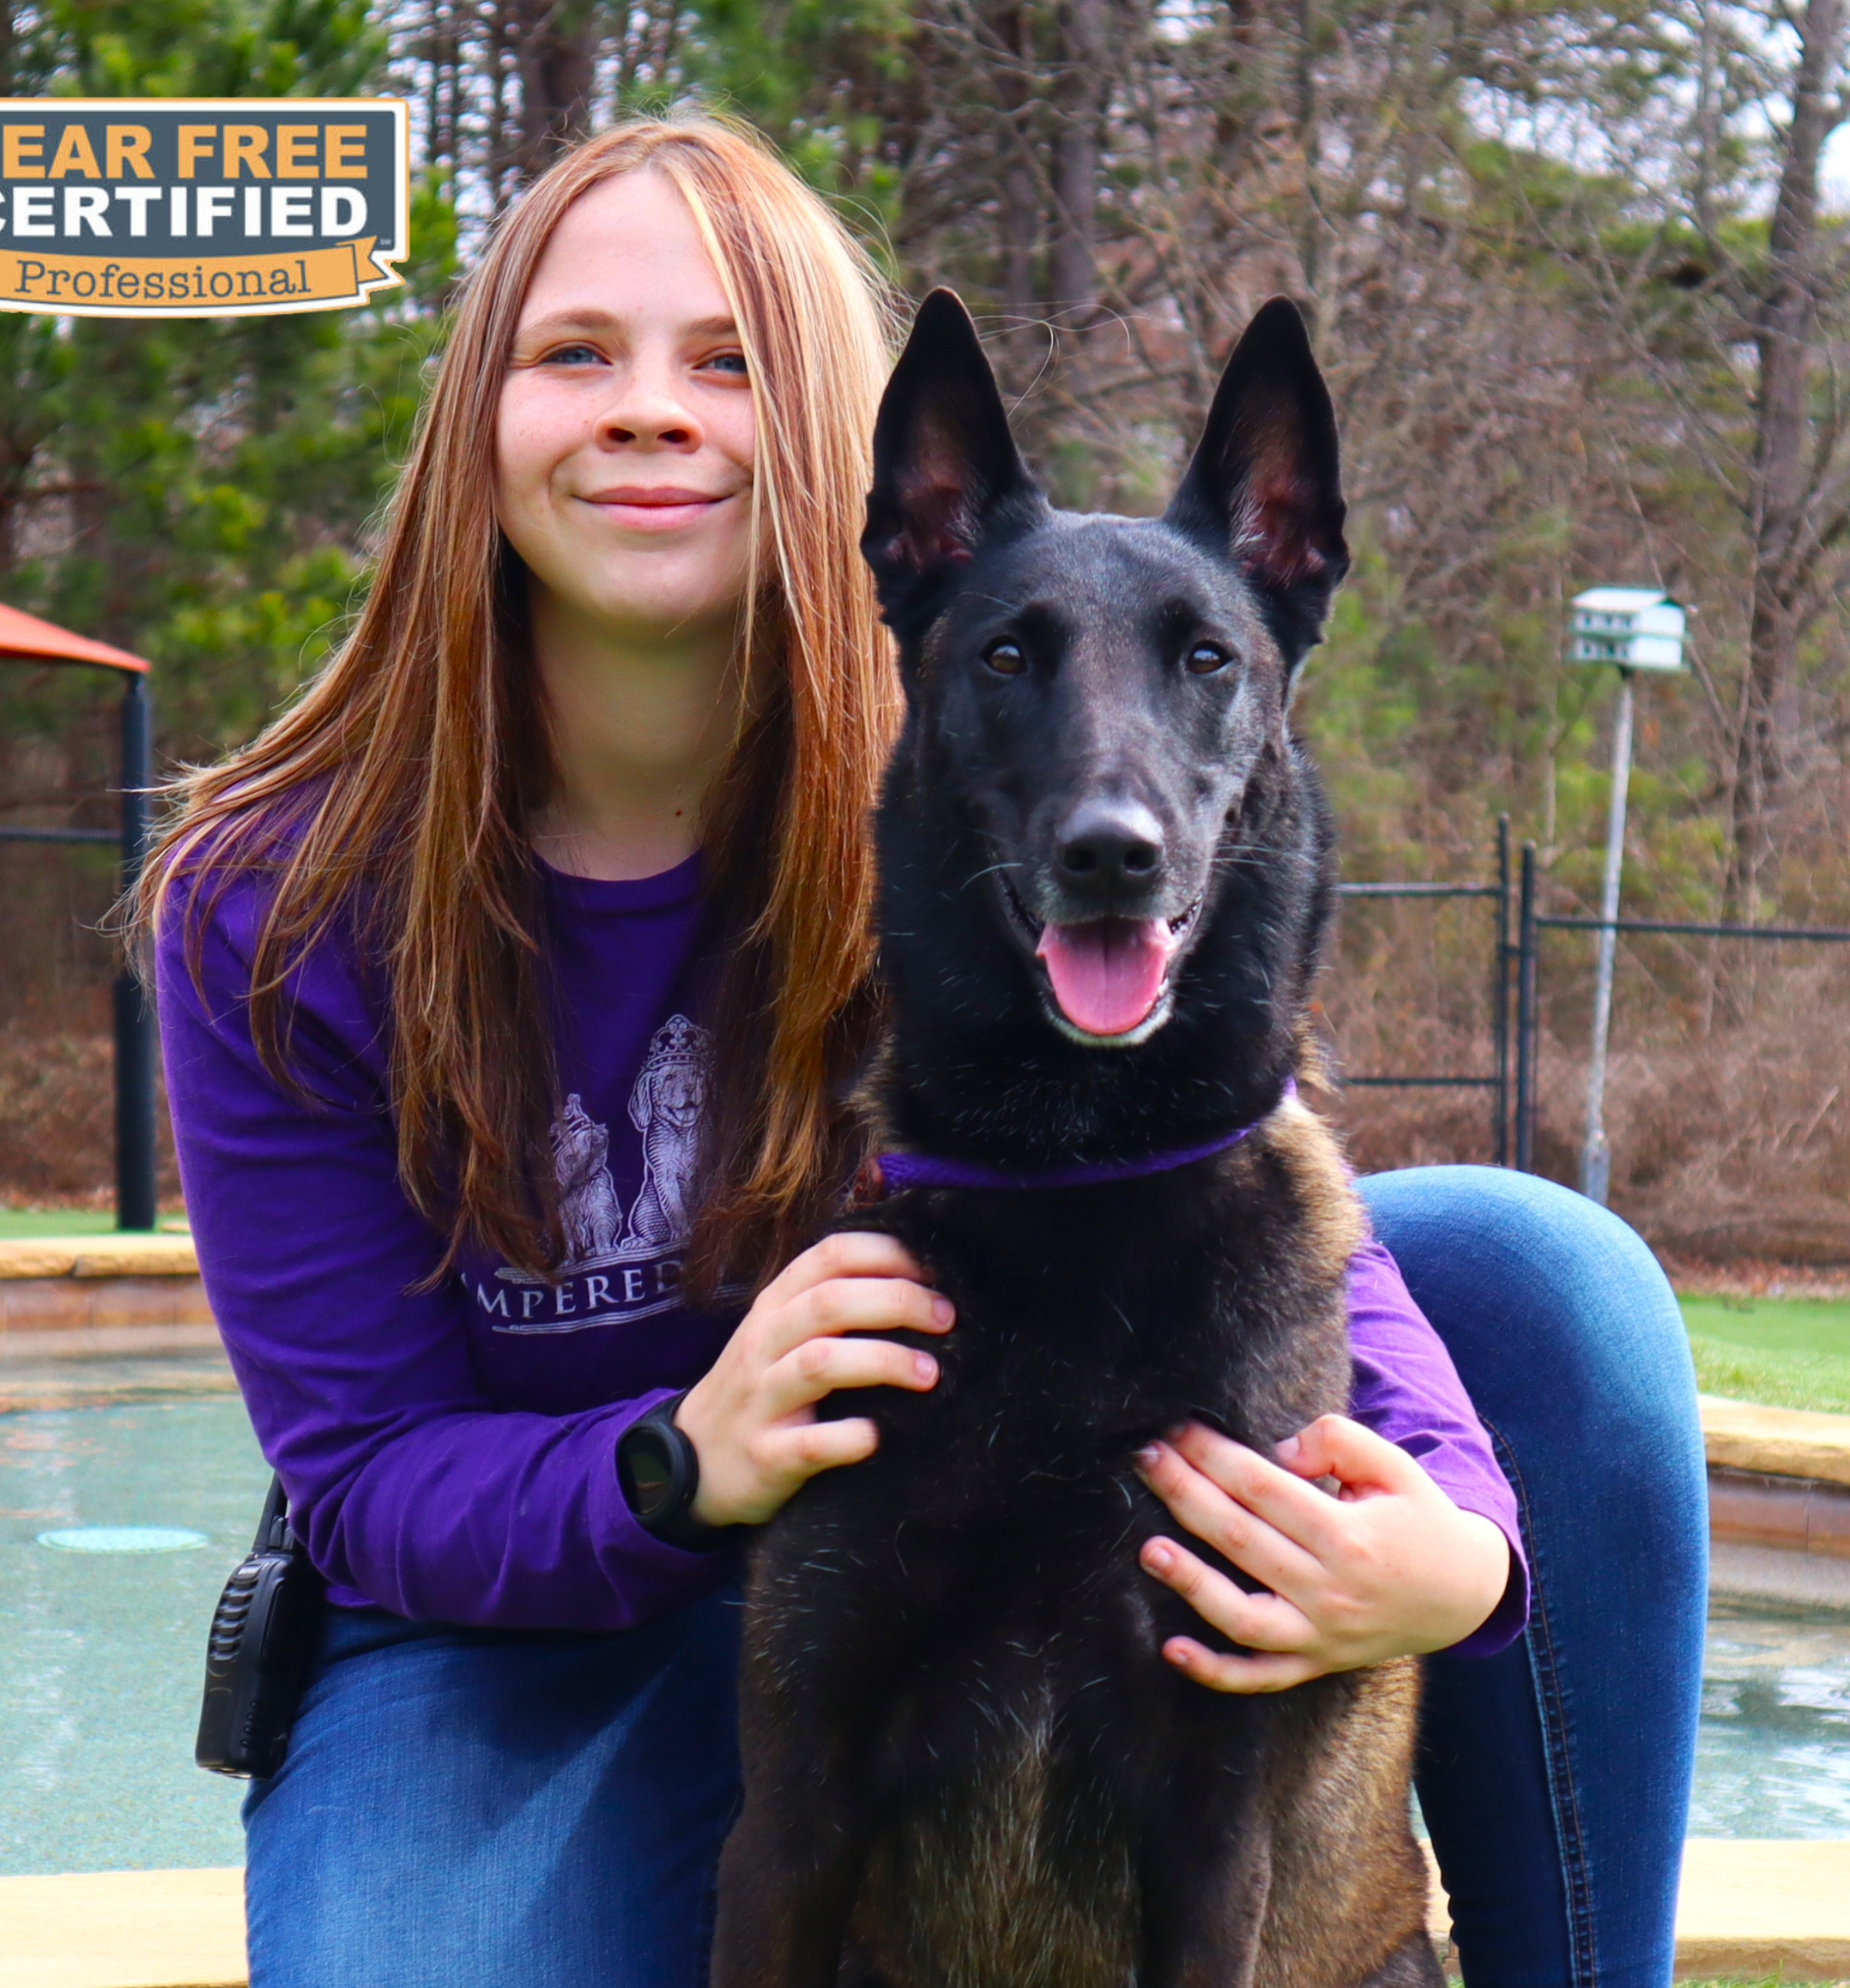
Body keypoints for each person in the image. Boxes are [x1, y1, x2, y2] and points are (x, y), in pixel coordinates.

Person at [145, 116, 1707, 1988]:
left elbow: (1232, 1182)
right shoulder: (276, 898)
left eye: (725, 360)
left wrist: (1459, 1541)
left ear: (844, 450)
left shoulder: (981, 773)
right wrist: (678, 1458)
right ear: (473, 420)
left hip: (944, 1503)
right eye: (575, 353)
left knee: (1544, 1281)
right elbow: (371, 1471)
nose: (648, 409)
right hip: (522, 1607)